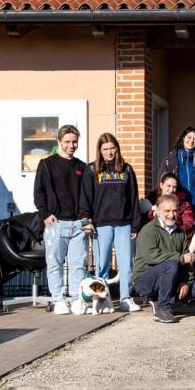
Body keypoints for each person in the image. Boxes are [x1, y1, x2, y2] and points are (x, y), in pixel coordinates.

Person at [79, 133, 142, 312]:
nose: (109, 152)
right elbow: (85, 198)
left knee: (126, 264)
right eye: (105, 149)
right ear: (100, 150)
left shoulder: (127, 169)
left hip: (124, 224)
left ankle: (125, 298)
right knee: (102, 264)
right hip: (101, 224)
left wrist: (135, 224)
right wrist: (85, 220)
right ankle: (102, 301)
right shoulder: (92, 169)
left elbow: (133, 198)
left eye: (112, 148)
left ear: (117, 148)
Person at [33, 124, 88, 315]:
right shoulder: (46, 164)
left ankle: (77, 299)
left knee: (78, 265)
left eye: (74, 142)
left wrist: (85, 219)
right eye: (67, 142)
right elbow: (38, 192)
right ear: (59, 142)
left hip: (78, 224)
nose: (71, 145)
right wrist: (44, 214)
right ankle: (58, 300)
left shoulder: (82, 167)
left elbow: (86, 195)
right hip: (55, 224)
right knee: (55, 265)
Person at [132, 194, 195, 323]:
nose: (171, 215)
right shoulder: (148, 230)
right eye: (167, 211)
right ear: (158, 211)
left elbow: (187, 261)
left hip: (171, 275)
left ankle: (159, 299)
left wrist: (184, 282)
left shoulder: (179, 232)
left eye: (174, 211)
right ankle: (162, 308)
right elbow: (152, 257)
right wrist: (180, 258)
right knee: (172, 263)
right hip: (145, 280)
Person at [157, 126, 195, 205]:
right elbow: (161, 183)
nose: (192, 141)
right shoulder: (170, 160)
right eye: (189, 137)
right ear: (183, 138)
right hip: (177, 205)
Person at [141, 172, 195, 237]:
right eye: (168, 186)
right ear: (161, 185)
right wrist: (152, 214)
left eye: (174, 187)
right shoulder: (150, 202)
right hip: (153, 237)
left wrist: (175, 231)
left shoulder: (183, 204)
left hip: (175, 238)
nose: (171, 190)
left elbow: (189, 224)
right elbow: (142, 222)